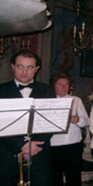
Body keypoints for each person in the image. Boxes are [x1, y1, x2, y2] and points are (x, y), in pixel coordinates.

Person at [0, 51, 55, 185]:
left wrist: (33, 147)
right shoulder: (1, 90)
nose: (24, 72)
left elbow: (52, 122)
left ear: (37, 69)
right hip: (7, 154)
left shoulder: (47, 90)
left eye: (30, 67)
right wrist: (21, 145)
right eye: (20, 66)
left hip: (39, 153)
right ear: (13, 66)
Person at [49, 73, 89, 186]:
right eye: (60, 84)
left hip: (73, 144)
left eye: (66, 84)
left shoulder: (76, 100)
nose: (64, 87)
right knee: (55, 177)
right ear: (54, 86)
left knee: (74, 176)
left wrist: (77, 120)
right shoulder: (48, 101)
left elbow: (86, 121)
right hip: (54, 145)